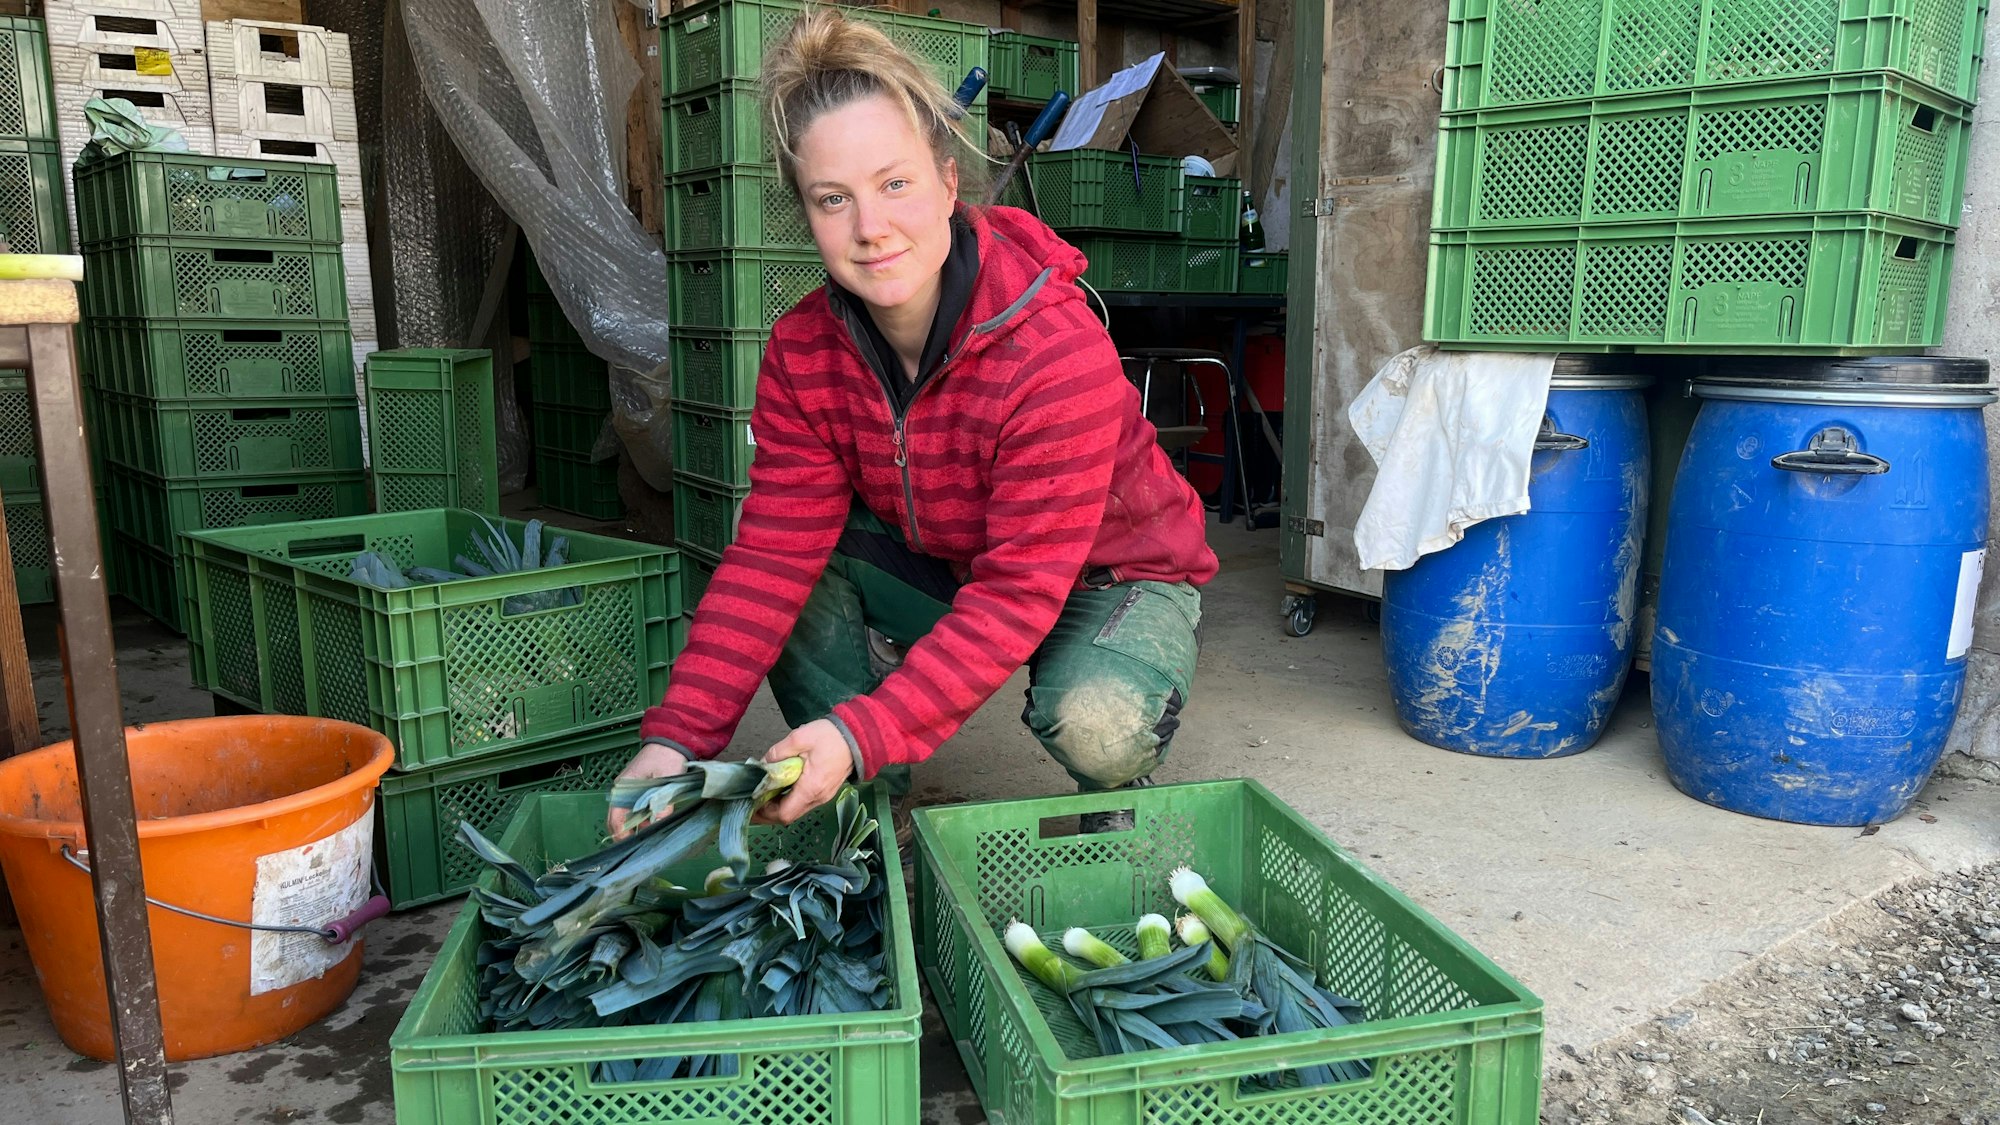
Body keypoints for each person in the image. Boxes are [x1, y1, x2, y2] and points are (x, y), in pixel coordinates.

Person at [610, 7, 1218, 836]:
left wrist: (862, 725)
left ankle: (1083, 772)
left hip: (1107, 575)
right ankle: (867, 801)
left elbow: (1019, 590)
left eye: (895, 184)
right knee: (795, 582)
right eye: (833, 199)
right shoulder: (802, 356)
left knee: (1100, 720)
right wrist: (677, 739)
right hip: (952, 557)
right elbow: (770, 555)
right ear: (806, 212)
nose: (871, 228)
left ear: (947, 181)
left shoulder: (1049, 347)